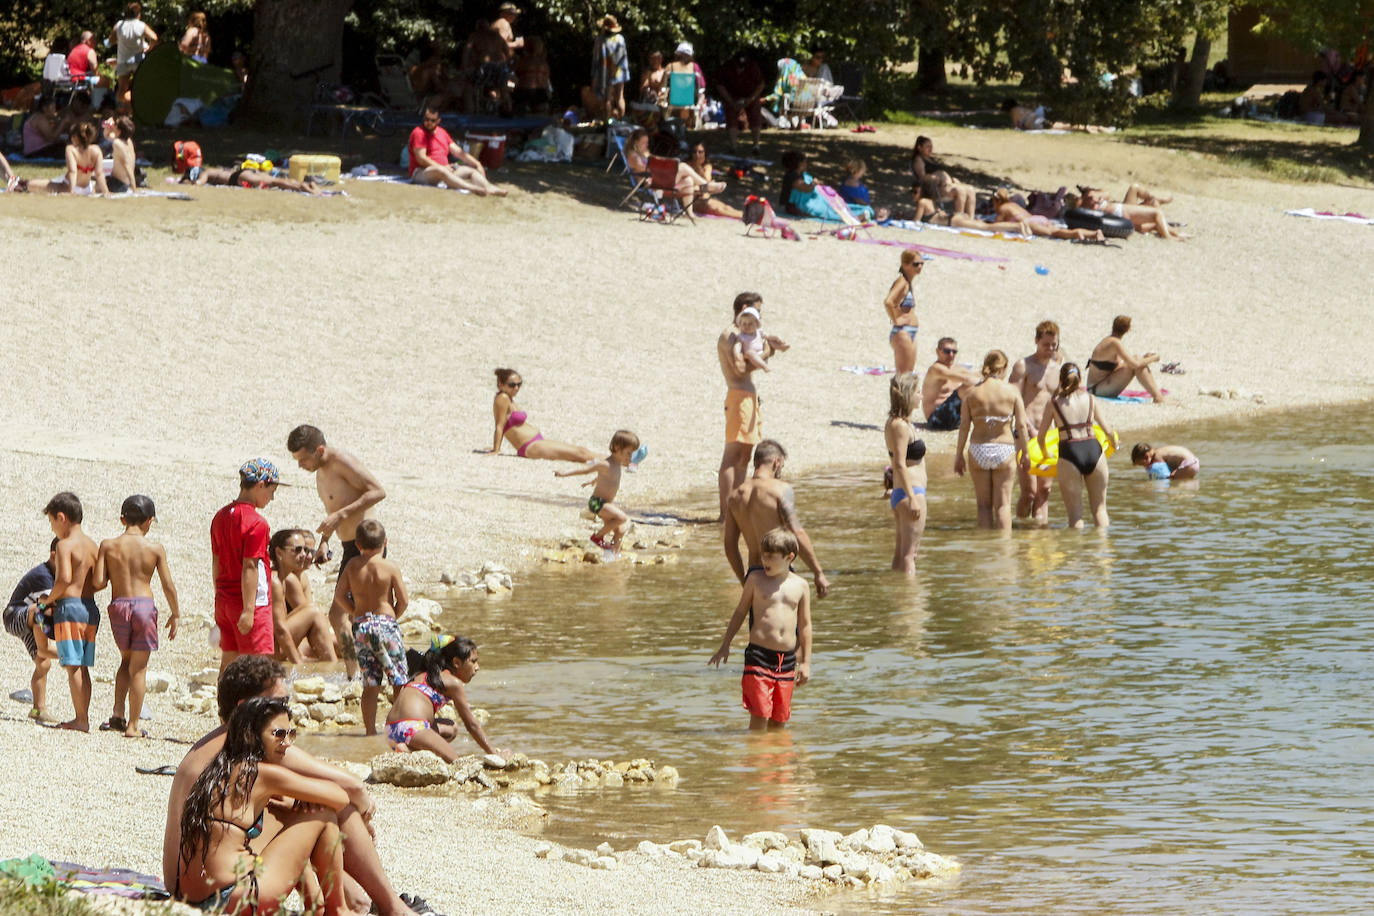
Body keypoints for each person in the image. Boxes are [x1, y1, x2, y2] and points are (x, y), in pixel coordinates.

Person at [163, 656, 423, 916]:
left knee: (293, 810)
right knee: (321, 811)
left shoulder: (213, 747)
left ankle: (352, 901)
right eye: (279, 703)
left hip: (183, 883)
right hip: (226, 891)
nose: (285, 712)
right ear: (246, 707)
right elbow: (350, 788)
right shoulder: (248, 750)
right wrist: (362, 811)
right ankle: (389, 907)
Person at [172, 695, 349, 913]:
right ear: (251, 735)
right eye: (279, 734)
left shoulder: (220, 768)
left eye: (291, 734)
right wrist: (311, 799)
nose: (287, 743)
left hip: (193, 897)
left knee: (290, 818)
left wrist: (296, 805)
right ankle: (337, 910)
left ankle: (316, 903)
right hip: (236, 897)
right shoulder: (262, 774)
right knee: (323, 814)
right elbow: (340, 797)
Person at [91, 494, 179, 738]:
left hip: (119, 606)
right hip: (143, 607)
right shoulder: (155, 548)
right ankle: (133, 726)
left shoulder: (108, 545)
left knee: (125, 662)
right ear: (149, 521)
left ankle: (117, 715)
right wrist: (176, 613)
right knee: (139, 669)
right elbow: (167, 584)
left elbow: (98, 582)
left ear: (122, 519)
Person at [708, 527, 812, 729]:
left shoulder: (801, 586)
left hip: (786, 660)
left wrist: (806, 662)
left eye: (771, 557)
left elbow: (806, 625)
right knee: (759, 714)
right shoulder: (755, 580)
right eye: (763, 556)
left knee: (779, 719)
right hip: (759, 656)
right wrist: (725, 645)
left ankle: (776, 758)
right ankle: (755, 757)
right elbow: (740, 612)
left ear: (789, 557)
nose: (765, 561)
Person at [723, 439, 831, 598]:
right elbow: (797, 532)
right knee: (787, 622)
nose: (780, 471)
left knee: (758, 623)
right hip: (780, 574)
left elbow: (730, 546)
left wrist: (744, 580)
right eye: (782, 467)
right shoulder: (780, 490)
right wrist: (818, 572)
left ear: (755, 462)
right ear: (776, 462)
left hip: (755, 574)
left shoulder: (736, 496)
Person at [331, 519, 408, 735]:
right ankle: (398, 727)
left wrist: (355, 613)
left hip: (362, 626)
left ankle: (370, 732)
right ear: (385, 542)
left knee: (371, 683)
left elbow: (339, 596)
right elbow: (403, 600)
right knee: (398, 679)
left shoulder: (353, 565)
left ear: (357, 544)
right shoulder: (390, 566)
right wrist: (393, 615)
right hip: (386, 625)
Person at [717, 293, 789, 519]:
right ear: (746, 308)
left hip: (747, 397)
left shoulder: (747, 335)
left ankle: (736, 510)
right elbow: (740, 368)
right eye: (758, 310)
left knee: (743, 458)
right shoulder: (731, 335)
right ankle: (726, 512)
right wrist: (768, 352)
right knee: (732, 455)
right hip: (739, 396)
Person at [285, 423, 387, 576]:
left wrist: (341, 515)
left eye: (304, 459)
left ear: (320, 450)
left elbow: (378, 491)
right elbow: (335, 508)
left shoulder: (342, 462)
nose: (300, 465)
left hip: (367, 545)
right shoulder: (320, 469)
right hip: (349, 545)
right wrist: (325, 541)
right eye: (297, 460)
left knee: (348, 599)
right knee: (343, 599)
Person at [386, 635, 508, 760]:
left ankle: (407, 749)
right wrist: (494, 753)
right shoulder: (453, 683)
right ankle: (408, 748)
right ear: (456, 663)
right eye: (473, 661)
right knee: (458, 765)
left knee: (451, 728)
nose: (477, 667)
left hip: (390, 730)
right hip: (412, 728)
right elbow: (471, 725)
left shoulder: (424, 674)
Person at [37, 492, 99, 731]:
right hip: (89, 608)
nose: (53, 528)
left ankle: (80, 719)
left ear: (61, 517)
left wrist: (47, 601)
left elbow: (63, 579)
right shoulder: (93, 545)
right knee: (82, 665)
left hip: (70, 608)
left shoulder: (64, 545)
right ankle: (84, 716)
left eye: (52, 522)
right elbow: (101, 581)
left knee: (72, 665)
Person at [210, 459, 279, 672]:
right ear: (260, 485)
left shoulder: (220, 516)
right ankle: (254, 705)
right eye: (271, 490)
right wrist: (249, 611)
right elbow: (250, 566)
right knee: (259, 666)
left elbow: (216, 561)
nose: (272, 497)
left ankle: (226, 705)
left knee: (230, 661)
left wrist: (219, 595)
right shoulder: (257, 523)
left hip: (224, 600)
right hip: (251, 602)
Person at [953, 351, 1030, 530]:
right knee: (1003, 506)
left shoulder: (971, 393)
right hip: (1004, 449)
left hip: (979, 449)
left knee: (983, 506)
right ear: (1003, 368)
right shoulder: (1012, 391)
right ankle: (1003, 551)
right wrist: (1025, 453)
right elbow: (1021, 425)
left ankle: (985, 552)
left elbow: (964, 426)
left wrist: (958, 455)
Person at [1038, 364, 1119, 528]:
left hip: (1069, 452)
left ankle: (1076, 553)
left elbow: (1041, 438)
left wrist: (1047, 455)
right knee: (1100, 510)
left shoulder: (1053, 403)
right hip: (1093, 449)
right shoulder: (1090, 398)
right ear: (1080, 380)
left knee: (1075, 516)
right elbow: (1107, 430)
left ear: (1060, 380)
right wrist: (1114, 444)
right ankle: (1102, 550)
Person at [1009, 320, 1063, 524]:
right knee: (1029, 492)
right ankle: (1020, 530)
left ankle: (1040, 538)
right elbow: (1013, 400)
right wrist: (1028, 427)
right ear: (1036, 341)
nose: (1050, 349)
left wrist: (1061, 434)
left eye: (1053, 345)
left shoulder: (1057, 368)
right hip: (1025, 433)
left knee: (1045, 490)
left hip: (1048, 434)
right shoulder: (1024, 365)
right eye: (1046, 344)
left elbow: (1059, 404)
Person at [554, 429, 640, 551]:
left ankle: (612, 555)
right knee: (622, 518)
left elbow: (604, 477)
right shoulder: (605, 464)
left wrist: (594, 481)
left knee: (621, 530)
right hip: (597, 503)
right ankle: (597, 537)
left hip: (607, 504)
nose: (630, 457)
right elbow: (585, 470)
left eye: (631, 454)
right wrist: (564, 474)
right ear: (616, 448)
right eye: (628, 453)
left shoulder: (617, 464)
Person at [488, 368, 599, 462]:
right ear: (500, 384)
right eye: (512, 385)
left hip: (536, 441)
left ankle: (612, 461)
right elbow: (499, 425)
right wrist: (496, 449)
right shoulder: (502, 398)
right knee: (580, 454)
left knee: (581, 451)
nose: (516, 388)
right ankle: (611, 462)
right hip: (529, 446)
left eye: (519, 384)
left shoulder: (509, 398)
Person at [3, 539, 58, 721]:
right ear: (53, 556)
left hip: (29, 621)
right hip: (15, 615)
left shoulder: (56, 575)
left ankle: (38, 709)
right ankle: (48, 648)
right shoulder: (44, 575)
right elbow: (47, 607)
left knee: (43, 664)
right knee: (41, 609)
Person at [268, 529, 337, 664]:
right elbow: (279, 628)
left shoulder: (282, 578)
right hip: (270, 650)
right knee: (314, 612)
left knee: (313, 611)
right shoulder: (276, 581)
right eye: (297, 550)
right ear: (279, 553)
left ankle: (331, 666)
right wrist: (298, 662)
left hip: (277, 645)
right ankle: (332, 669)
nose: (304, 555)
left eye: (306, 550)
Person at [407, 106, 508, 196]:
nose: (428, 122)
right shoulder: (419, 133)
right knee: (440, 171)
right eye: (426, 119)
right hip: (422, 172)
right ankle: (473, 188)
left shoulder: (442, 132)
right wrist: (442, 167)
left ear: (438, 121)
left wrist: (476, 163)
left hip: (446, 171)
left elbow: (458, 152)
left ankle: (490, 188)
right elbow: (421, 159)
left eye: (432, 120)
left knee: (472, 171)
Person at [885, 373, 928, 574]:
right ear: (908, 394)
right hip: (911, 492)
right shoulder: (900, 426)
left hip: (901, 492)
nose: (921, 396)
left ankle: (898, 598)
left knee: (900, 554)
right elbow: (900, 464)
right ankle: (912, 601)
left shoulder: (896, 423)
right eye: (918, 392)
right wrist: (912, 498)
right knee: (910, 555)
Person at [1085, 315, 1165, 402]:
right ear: (1128, 330)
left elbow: (1124, 364)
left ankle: (1158, 396)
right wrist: (1154, 358)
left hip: (1098, 386)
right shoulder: (1115, 343)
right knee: (1137, 362)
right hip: (1096, 389)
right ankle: (1158, 397)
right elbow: (1135, 364)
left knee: (1137, 358)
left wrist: (1144, 359)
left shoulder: (1109, 341)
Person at [1073, 186, 1182, 240]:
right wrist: (1090, 198)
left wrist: (1093, 193)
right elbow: (1080, 209)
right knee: (1155, 216)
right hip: (1121, 212)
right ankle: (1171, 235)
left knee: (1135, 187)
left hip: (1122, 209)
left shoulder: (1095, 197)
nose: (1094, 198)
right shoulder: (1083, 204)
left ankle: (1152, 199)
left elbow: (1107, 193)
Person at [993, 188, 1104, 241]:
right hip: (1038, 219)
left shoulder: (1003, 208)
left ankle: (1080, 233)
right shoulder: (1012, 204)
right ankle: (1092, 233)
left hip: (1031, 223)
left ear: (996, 201)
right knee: (1058, 230)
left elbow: (995, 226)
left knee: (1058, 233)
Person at [923, 337, 980, 431]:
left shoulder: (956, 368)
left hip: (954, 418)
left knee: (975, 387)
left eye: (954, 352)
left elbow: (976, 375)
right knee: (966, 388)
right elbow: (967, 379)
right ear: (937, 351)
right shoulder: (936, 369)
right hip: (936, 419)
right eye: (947, 351)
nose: (951, 355)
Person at [714, 50, 766, 152]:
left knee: (755, 117)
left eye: (743, 67)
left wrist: (751, 99)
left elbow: (761, 84)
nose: (740, 69)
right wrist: (731, 101)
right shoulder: (727, 67)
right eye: (738, 66)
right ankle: (733, 145)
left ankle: (756, 145)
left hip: (750, 96)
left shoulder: (753, 67)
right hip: (732, 96)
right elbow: (720, 86)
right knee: (731, 118)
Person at [111, 2, 157, 113]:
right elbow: (154, 38)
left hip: (123, 60)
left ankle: (120, 109)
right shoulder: (141, 25)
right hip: (138, 59)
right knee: (139, 86)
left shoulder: (119, 25)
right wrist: (148, 49)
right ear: (138, 14)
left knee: (122, 88)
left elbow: (111, 40)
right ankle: (138, 109)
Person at [883, 250, 923, 374]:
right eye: (915, 264)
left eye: (922, 263)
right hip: (902, 332)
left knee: (908, 373)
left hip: (909, 331)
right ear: (905, 265)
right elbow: (888, 301)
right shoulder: (902, 282)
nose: (920, 267)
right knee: (904, 374)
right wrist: (895, 320)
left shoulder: (908, 282)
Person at [685, 143, 742, 218]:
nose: (697, 155)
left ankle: (750, 215)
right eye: (694, 152)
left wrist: (699, 168)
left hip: (705, 198)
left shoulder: (707, 166)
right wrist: (697, 166)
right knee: (717, 209)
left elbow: (706, 182)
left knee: (726, 207)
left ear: (705, 154)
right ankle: (747, 217)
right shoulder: (687, 166)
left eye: (700, 152)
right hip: (691, 200)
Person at [592, 15, 629, 120]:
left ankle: (607, 121)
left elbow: (596, 59)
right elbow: (621, 57)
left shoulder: (600, 40)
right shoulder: (620, 39)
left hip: (606, 72)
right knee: (620, 96)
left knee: (607, 98)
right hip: (620, 72)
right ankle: (621, 119)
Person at [188, 165, 320, 193]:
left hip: (238, 177)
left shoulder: (206, 172)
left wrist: (190, 183)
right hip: (244, 172)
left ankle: (303, 188)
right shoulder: (215, 168)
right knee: (272, 180)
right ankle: (308, 184)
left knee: (275, 182)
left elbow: (199, 183)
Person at [666, 42, 704, 125]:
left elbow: (664, 84)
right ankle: (689, 122)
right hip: (689, 100)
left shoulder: (670, 66)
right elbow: (702, 86)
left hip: (673, 100)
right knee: (700, 94)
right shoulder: (695, 67)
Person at [512, 36, 551, 114]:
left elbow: (516, 76)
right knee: (540, 115)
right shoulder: (544, 64)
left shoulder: (522, 62)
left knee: (520, 114)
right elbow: (546, 80)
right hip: (541, 91)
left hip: (524, 90)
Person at [103, 116, 140, 193]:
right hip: (122, 183)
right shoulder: (128, 141)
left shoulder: (117, 144)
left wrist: (134, 189)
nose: (114, 125)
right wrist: (108, 126)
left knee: (95, 184)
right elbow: (106, 135)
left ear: (119, 131)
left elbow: (127, 166)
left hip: (118, 184)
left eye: (115, 124)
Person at [1130, 443, 1200, 480]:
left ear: (1147, 456)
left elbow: (1164, 473)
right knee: (1185, 480)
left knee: (1171, 479)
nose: (1144, 467)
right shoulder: (1159, 451)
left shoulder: (1157, 456)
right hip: (1193, 462)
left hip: (1188, 464)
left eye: (1142, 464)